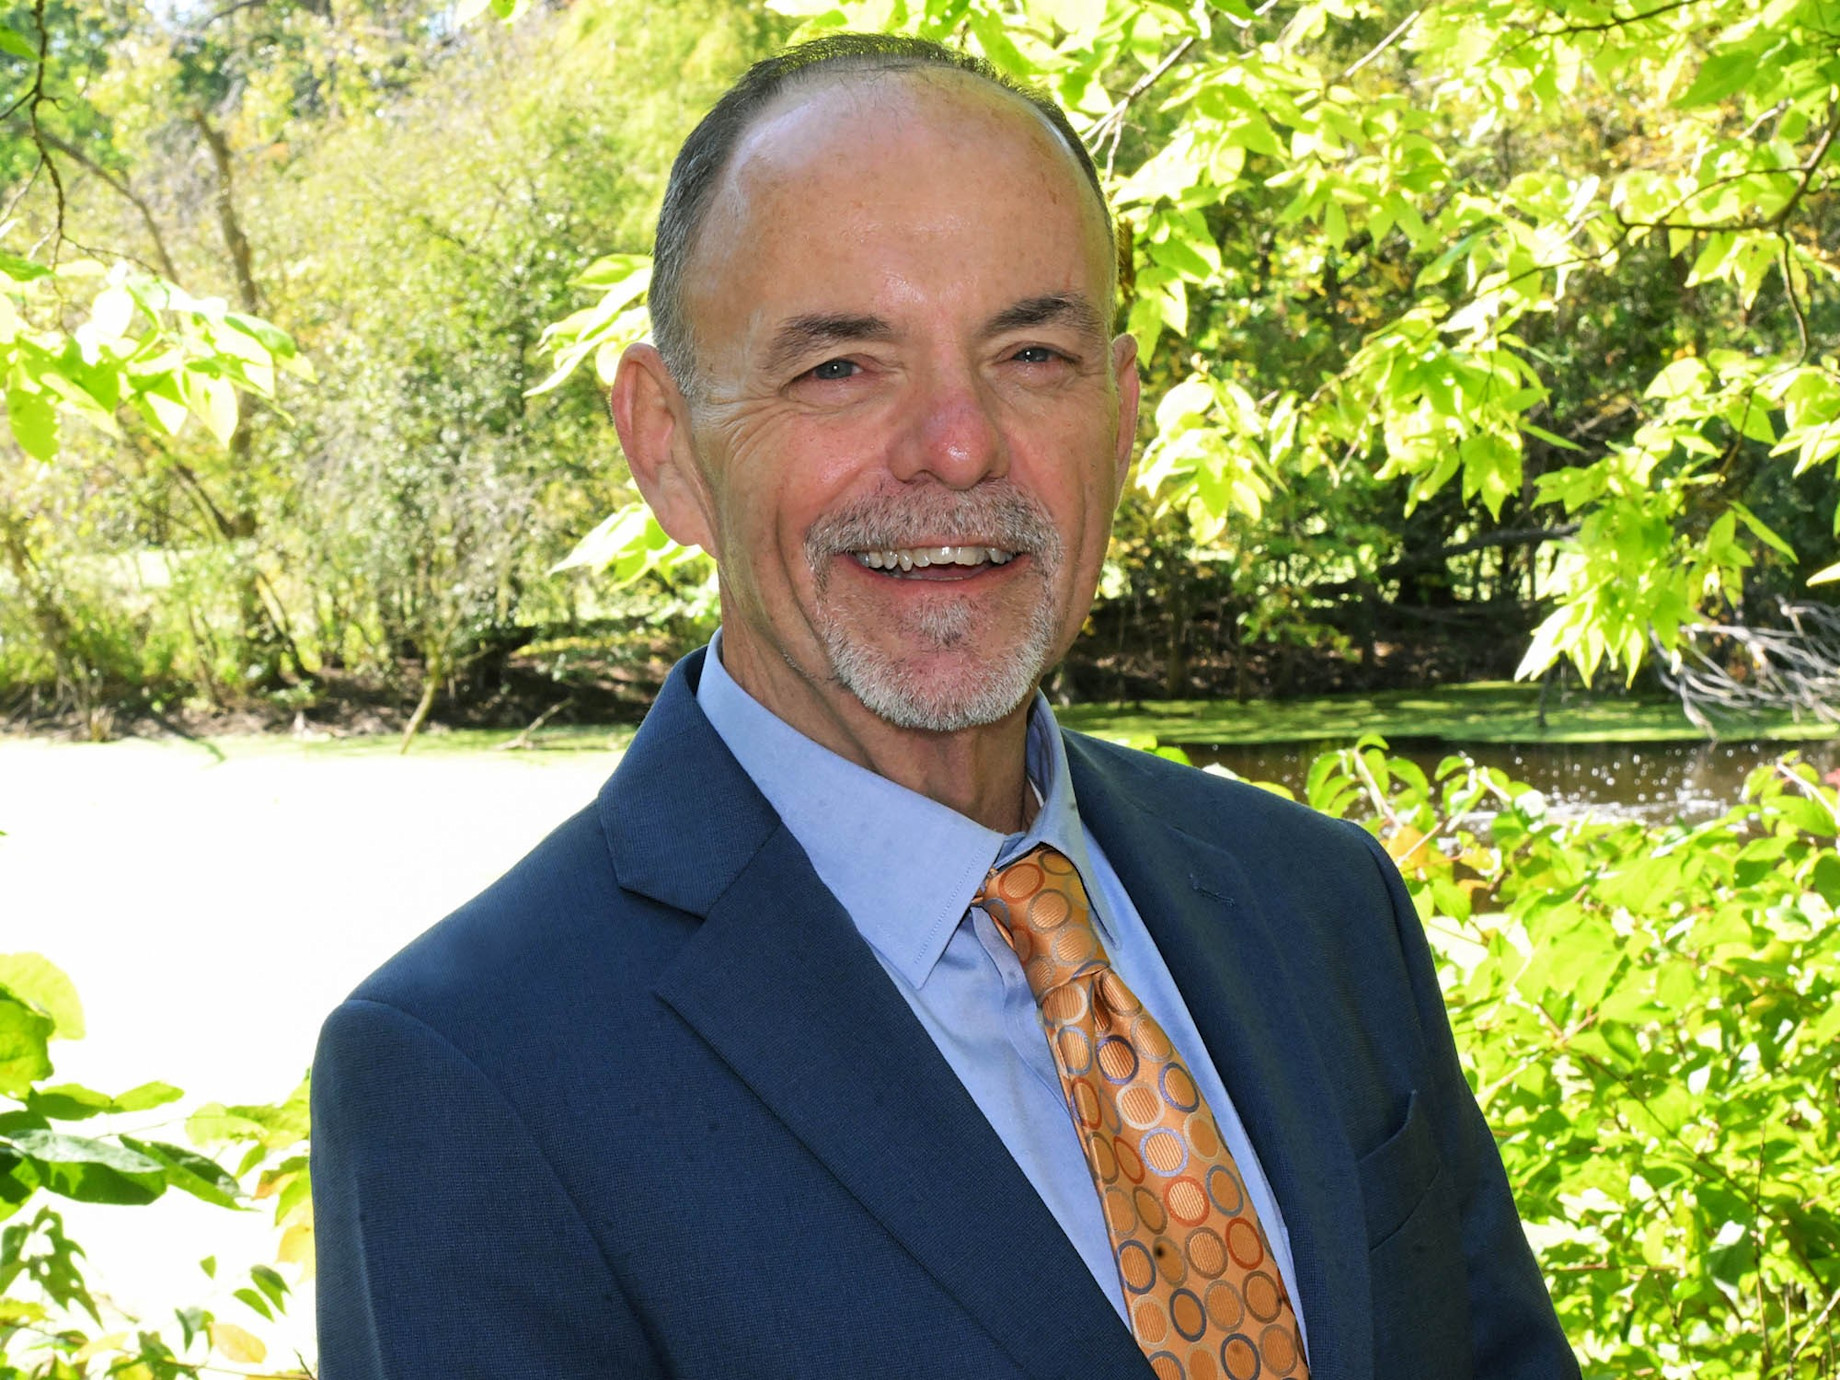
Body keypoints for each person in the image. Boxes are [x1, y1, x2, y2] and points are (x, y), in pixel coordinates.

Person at [311, 34, 1580, 1380]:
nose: (960, 444)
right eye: (841, 368)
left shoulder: (1320, 903)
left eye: (1031, 352)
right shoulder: (472, 1071)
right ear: (668, 447)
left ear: (1122, 411)